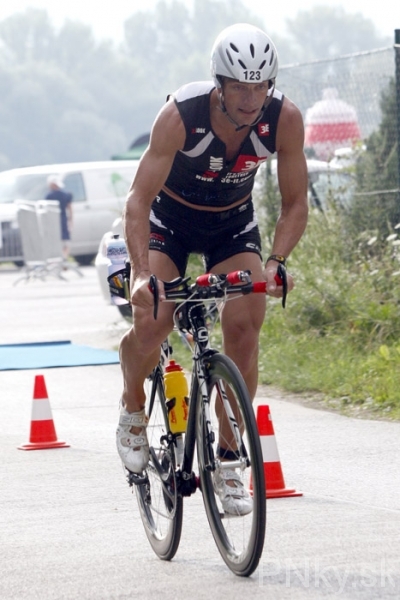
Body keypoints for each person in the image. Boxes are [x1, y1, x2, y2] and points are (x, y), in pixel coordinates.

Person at [116, 23, 308, 514]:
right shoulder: (181, 115)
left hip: (231, 224)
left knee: (244, 328)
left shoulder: (283, 119)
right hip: (169, 222)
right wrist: (141, 274)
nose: (250, 99)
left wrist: (277, 261)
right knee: (154, 321)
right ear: (218, 84)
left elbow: (294, 203)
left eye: (260, 87)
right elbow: (137, 200)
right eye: (239, 87)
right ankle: (133, 406)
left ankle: (227, 458)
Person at [45, 174, 73, 260]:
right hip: (63, 219)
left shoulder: (49, 196)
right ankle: (64, 257)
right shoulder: (65, 195)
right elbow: (70, 209)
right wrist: (71, 221)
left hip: (52, 221)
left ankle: (59, 258)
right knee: (65, 241)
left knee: (55, 241)